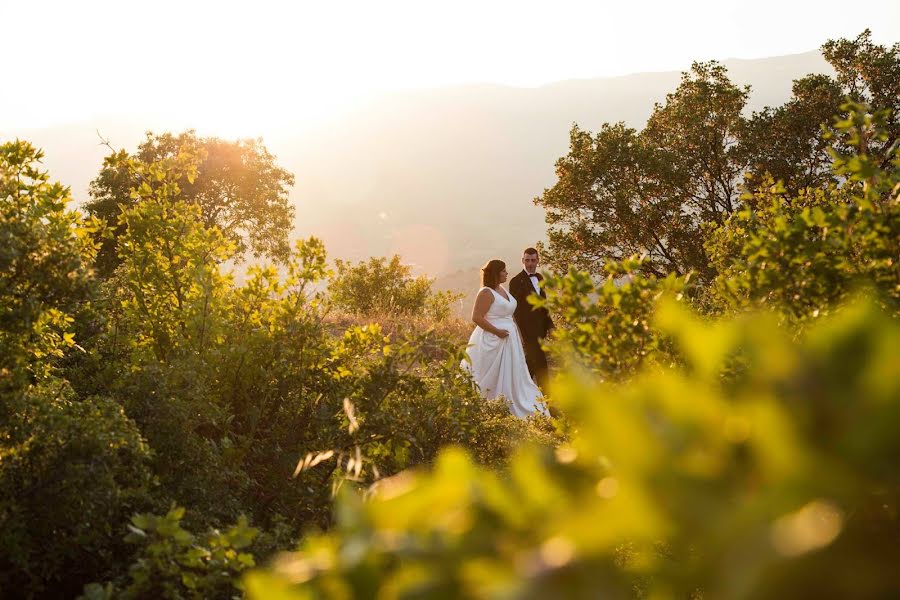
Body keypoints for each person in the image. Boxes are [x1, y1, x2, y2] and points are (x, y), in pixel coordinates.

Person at [462, 259, 546, 418]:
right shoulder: (485, 292)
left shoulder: (501, 289)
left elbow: (510, 315)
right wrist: (497, 332)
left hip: (510, 339)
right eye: (503, 271)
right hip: (493, 339)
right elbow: (477, 317)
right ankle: (492, 403)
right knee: (492, 374)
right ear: (496, 273)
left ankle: (512, 400)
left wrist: (518, 335)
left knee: (513, 373)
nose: (507, 273)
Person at [508, 247, 553, 389]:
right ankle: (547, 403)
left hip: (541, 332)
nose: (530, 264)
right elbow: (516, 311)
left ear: (538, 261)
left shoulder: (540, 278)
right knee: (541, 366)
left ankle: (521, 395)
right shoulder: (515, 281)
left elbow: (544, 306)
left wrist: (550, 326)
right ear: (522, 260)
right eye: (527, 260)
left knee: (530, 366)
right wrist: (522, 335)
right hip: (527, 333)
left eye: (533, 260)